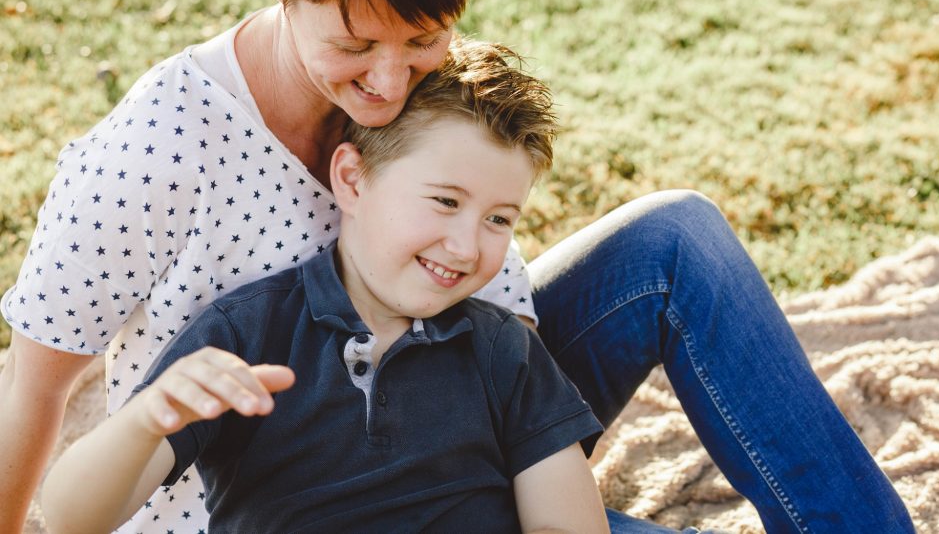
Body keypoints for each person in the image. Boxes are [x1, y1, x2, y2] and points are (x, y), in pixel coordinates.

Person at [0, 0, 914, 532]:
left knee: (679, 238)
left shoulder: (422, 81)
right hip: (274, 490)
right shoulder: (155, 152)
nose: (393, 81)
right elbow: (33, 390)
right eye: (355, 47)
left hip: (459, 418)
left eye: (425, 38)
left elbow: (490, 271)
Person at [41, 41, 610, 533]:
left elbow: (566, 521)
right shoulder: (248, 334)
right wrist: (147, 419)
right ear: (352, 180)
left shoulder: (500, 349)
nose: (466, 246)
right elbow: (72, 518)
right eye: (445, 201)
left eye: (499, 219)